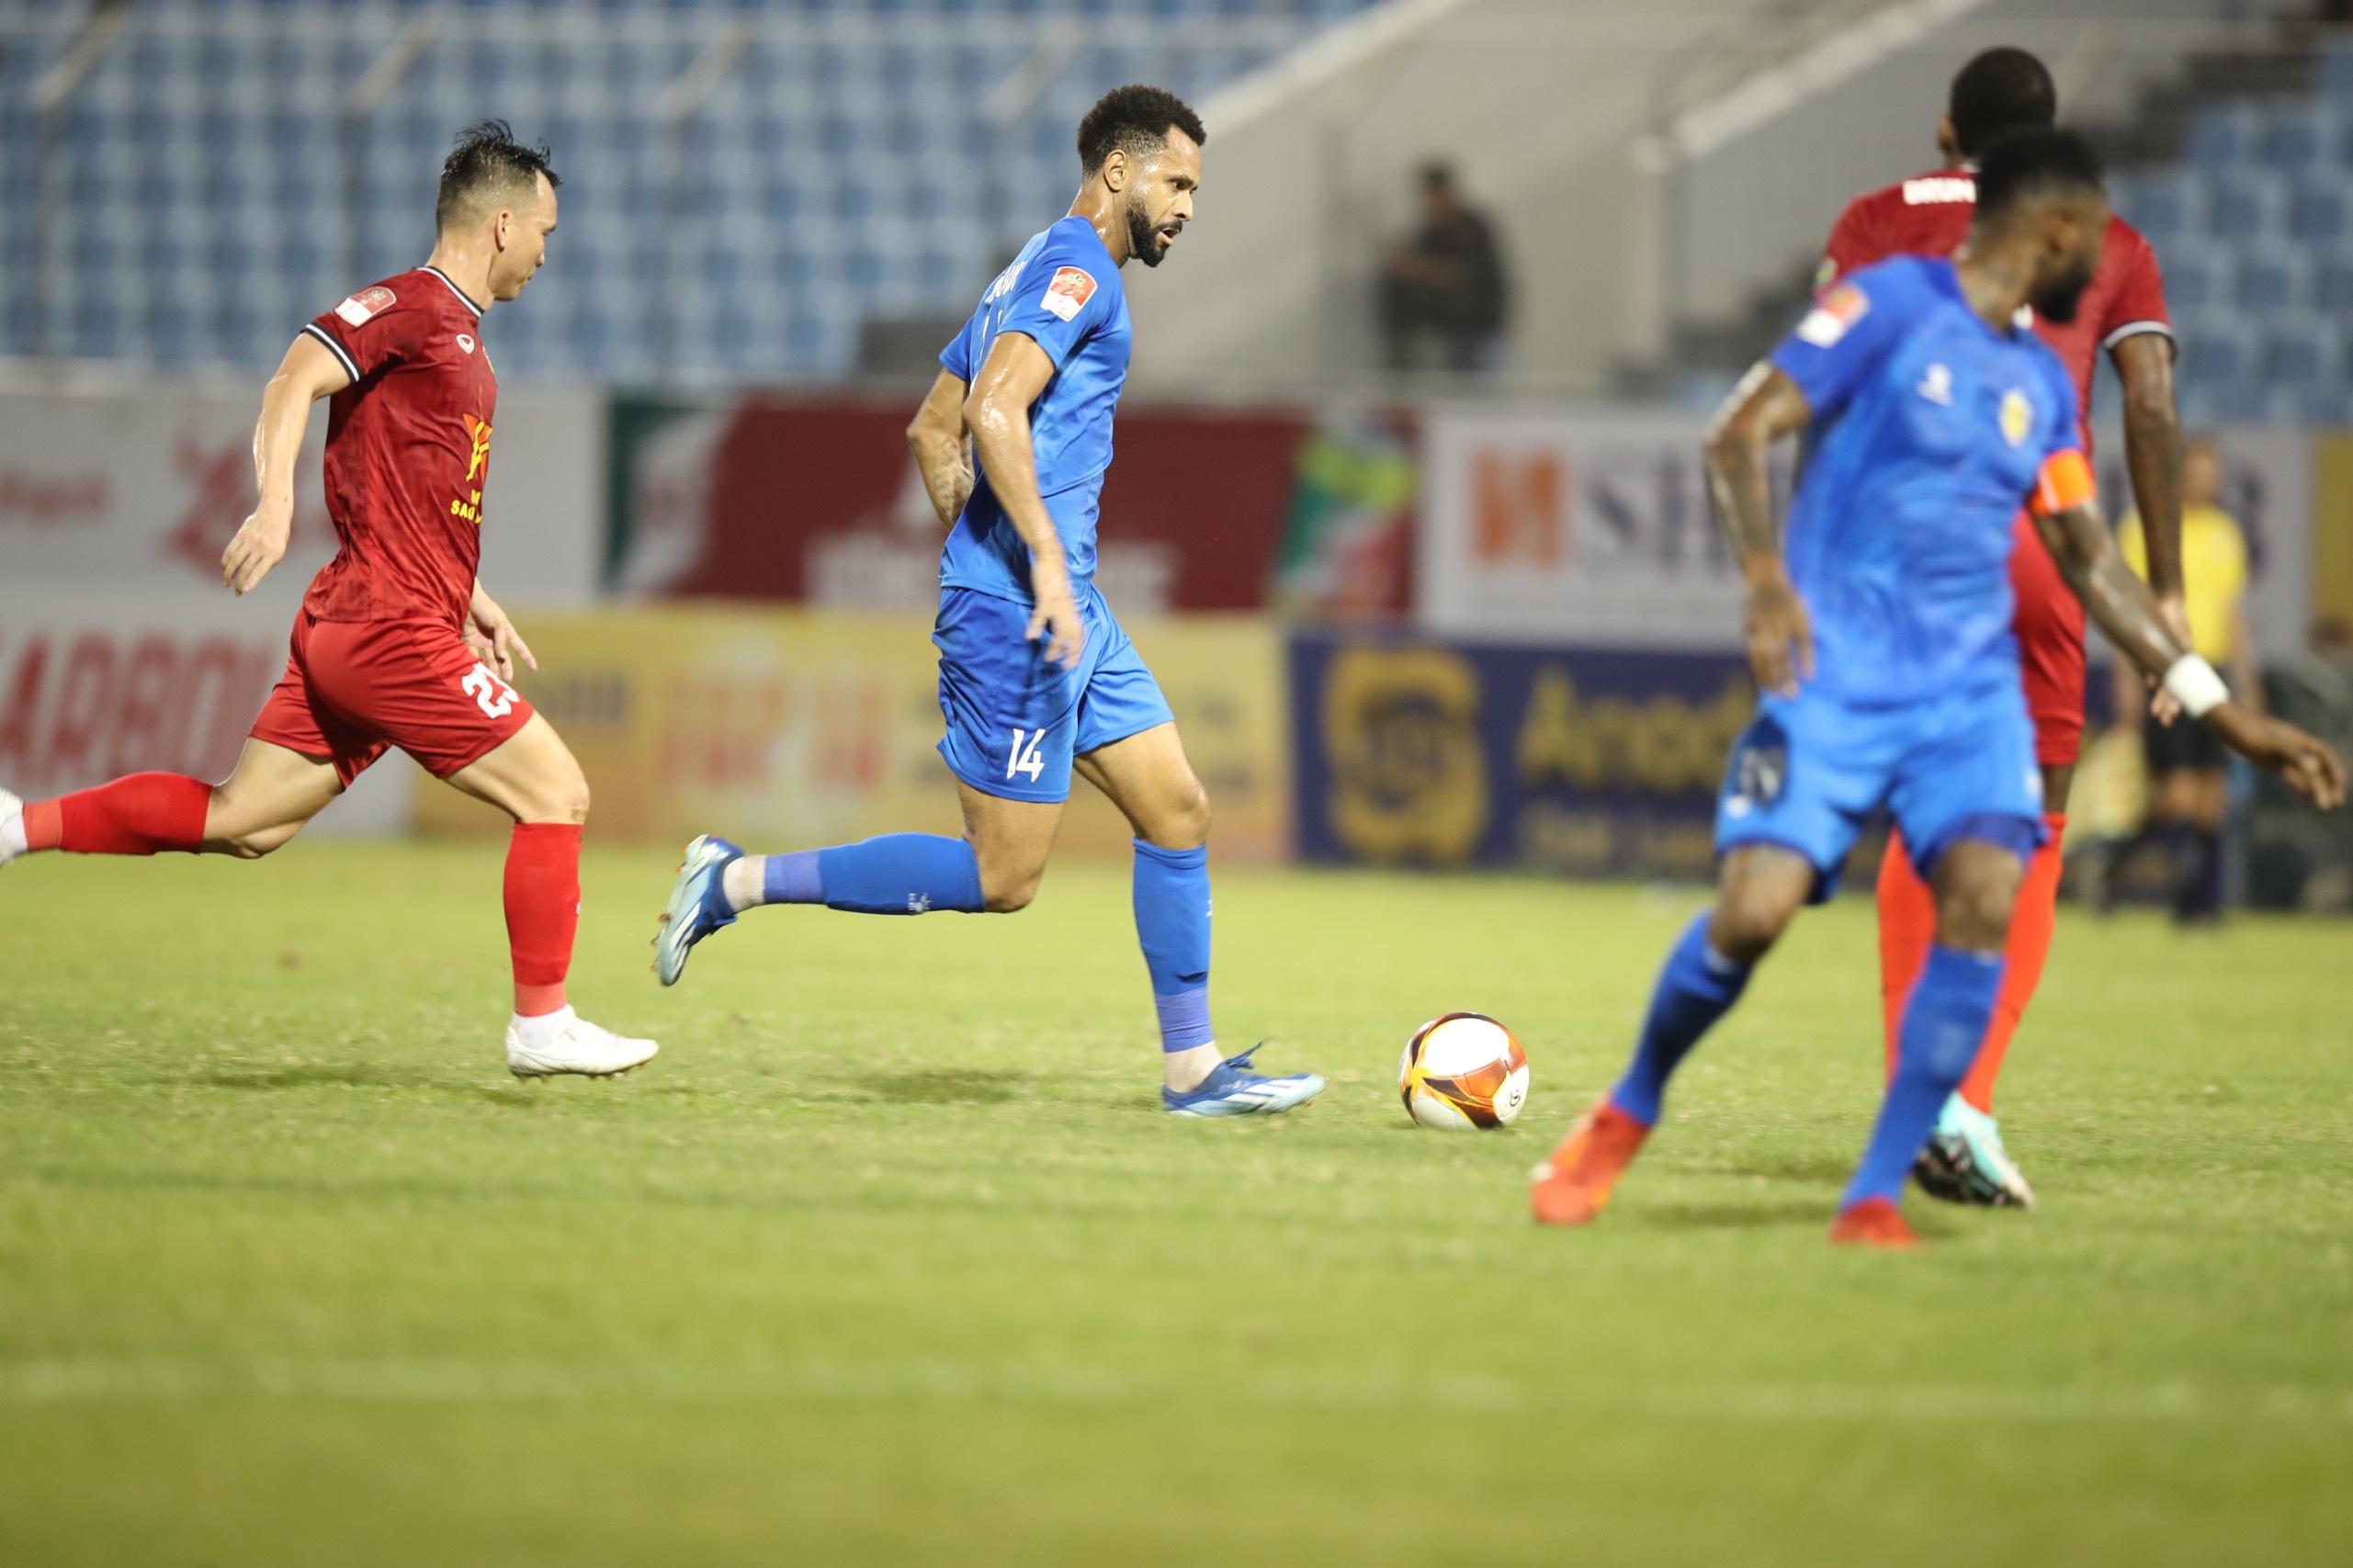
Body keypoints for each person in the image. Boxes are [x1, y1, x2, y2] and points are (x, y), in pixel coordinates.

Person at [1527, 130, 2343, 1249]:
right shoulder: (1884, 306)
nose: (2098, 269)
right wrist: (1766, 580)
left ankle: (1871, 1194)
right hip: (1839, 677)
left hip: (1967, 700)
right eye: (2092, 243)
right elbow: (1739, 433)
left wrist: (2215, 705)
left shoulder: (2038, 389)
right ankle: (1624, 1112)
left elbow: (2087, 558)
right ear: (2054, 232)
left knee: (1980, 901)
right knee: (1754, 913)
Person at [652, 85, 1323, 1117]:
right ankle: (733, 881)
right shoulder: (1073, 270)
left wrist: (1000, 548)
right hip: (1027, 612)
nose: (1188, 205)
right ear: (1118, 171)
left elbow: (930, 431)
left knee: (1176, 807)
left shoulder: (1032, 262)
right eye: (1177, 182)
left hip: (1061, 606)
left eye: (1195, 186)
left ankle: (1192, 1071)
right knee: (1002, 877)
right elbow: (989, 409)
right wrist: (1031, 568)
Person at [0, 122, 656, 1080]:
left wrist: (471, 594)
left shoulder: (457, 334)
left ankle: (17, 826)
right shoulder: (412, 305)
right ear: (502, 222)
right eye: (546, 231)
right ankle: (541, 1023)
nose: (549, 253)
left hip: (371, 618)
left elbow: (409, 488)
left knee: (246, 821)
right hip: (385, 626)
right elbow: (294, 375)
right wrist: (273, 501)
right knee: (556, 791)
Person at [1814, 45, 2188, 1207]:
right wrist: (2164, 596)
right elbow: (2152, 406)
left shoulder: (1874, 218)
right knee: (2034, 821)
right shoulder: (2108, 241)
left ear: (1943, 132)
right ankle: (1962, 1105)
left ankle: (1911, 1105)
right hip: (2037, 537)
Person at [2108, 437, 2260, 924]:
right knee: (2175, 798)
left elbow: (2232, 614)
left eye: (2211, 473)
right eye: (2195, 472)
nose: (2204, 482)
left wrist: (2247, 680)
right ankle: (2113, 870)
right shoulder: (2142, 527)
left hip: (2212, 669)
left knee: (2212, 800)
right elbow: (2122, 608)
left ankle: (2200, 907)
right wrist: (2128, 678)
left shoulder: (2226, 533)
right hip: (2166, 668)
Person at [1376, 162, 1510, 375]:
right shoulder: (1432, 234)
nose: (1428, 203)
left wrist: (1417, 266)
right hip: (1452, 332)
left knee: (1485, 402)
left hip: (1481, 331)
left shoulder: (1471, 226)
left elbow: (1457, 272)